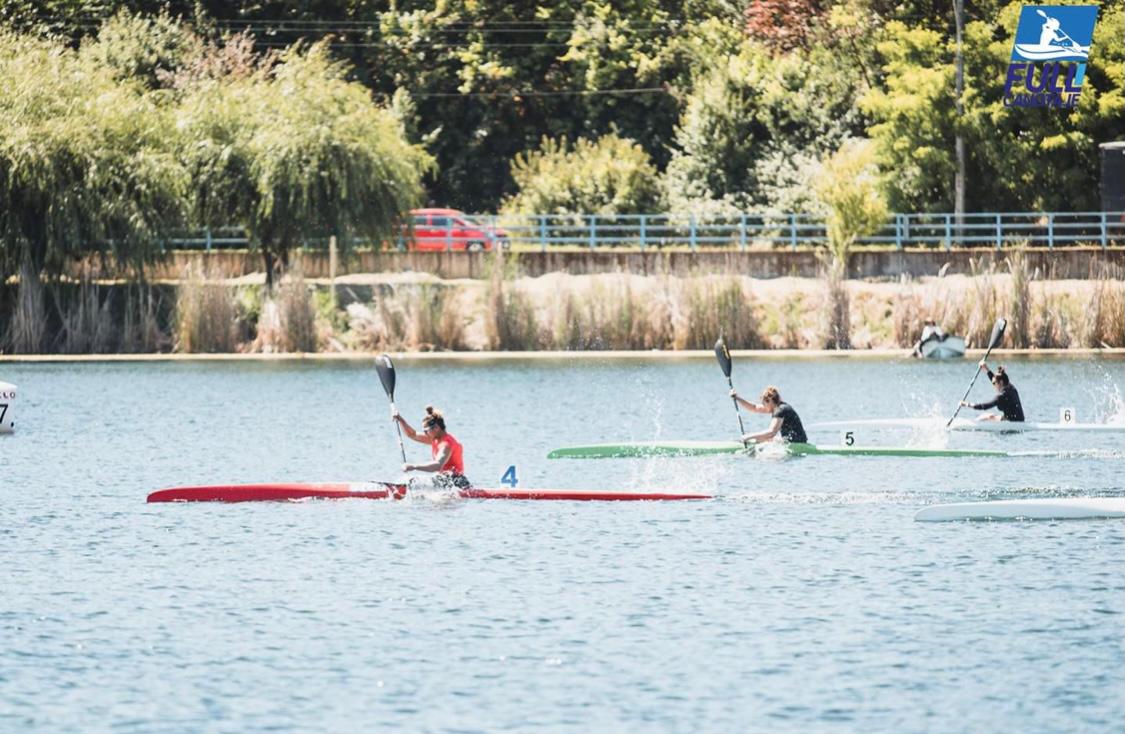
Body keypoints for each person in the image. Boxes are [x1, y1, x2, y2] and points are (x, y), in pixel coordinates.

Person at [393, 405, 470, 488]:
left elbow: (438, 465)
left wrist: (413, 466)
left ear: (436, 428)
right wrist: (400, 420)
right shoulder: (435, 438)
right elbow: (413, 434)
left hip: (456, 482)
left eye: (426, 431)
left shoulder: (446, 444)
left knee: (414, 482)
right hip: (446, 480)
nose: (425, 434)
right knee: (413, 481)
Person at [729, 386, 808, 444]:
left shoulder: (780, 410)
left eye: (763, 403)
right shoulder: (776, 406)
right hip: (791, 441)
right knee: (763, 440)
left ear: (770, 401)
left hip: (797, 443)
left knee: (766, 449)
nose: (763, 406)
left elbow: (771, 432)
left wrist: (748, 437)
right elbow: (754, 408)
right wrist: (737, 398)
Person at [960, 362, 1025, 422]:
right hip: (1019, 419)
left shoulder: (1001, 396)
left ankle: (972, 424)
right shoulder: (1011, 387)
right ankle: (973, 422)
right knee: (989, 416)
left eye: (994, 383)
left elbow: (985, 406)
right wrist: (986, 368)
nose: (993, 385)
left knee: (984, 416)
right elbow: (995, 379)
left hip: (1012, 422)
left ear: (1001, 382)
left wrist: (966, 404)